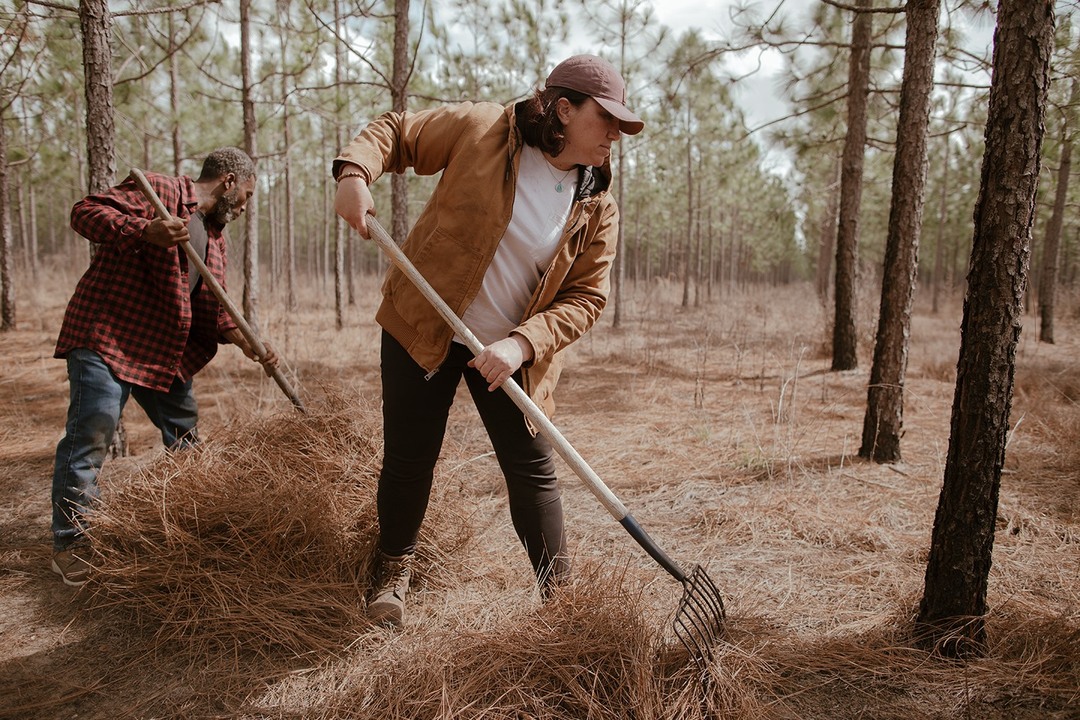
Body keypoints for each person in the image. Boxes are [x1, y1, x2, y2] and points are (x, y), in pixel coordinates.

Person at [333, 54, 644, 626]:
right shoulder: (484, 129)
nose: (615, 135)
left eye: (622, 125)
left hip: (509, 352)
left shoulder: (597, 204)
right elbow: (397, 133)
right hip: (426, 322)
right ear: (565, 109)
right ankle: (393, 568)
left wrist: (522, 344)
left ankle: (562, 603)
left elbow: (587, 299)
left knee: (532, 468)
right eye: (607, 119)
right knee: (410, 457)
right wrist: (354, 174)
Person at [50, 146, 279, 587]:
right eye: (247, 196)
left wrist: (250, 343)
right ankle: (70, 543)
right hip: (109, 338)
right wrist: (144, 230)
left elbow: (216, 309)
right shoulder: (159, 189)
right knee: (90, 436)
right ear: (229, 182)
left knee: (187, 439)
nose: (246, 207)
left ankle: (192, 526)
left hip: (160, 352)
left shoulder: (214, 237)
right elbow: (84, 213)